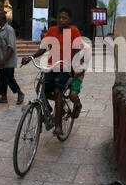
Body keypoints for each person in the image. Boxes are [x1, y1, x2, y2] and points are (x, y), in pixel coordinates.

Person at [21, 8, 83, 136]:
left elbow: (77, 51)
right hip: (51, 66)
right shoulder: (52, 30)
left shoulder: (74, 31)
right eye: (59, 17)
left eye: (64, 18)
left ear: (69, 20)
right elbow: (42, 48)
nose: (61, 20)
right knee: (41, 87)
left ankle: (58, 125)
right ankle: (48, 108)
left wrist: (73, 65)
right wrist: (30, 57)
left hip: (65, 68)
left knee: (58, 91)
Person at [0, 11, 25, 104]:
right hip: (3, 60)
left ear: (2, 19)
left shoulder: (9, 30)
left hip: (8, 61)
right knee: (1, 79)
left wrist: (4, 60)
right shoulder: (1, 29)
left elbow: (11, 48)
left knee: (9, 78)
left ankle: (20, 93)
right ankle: (3, 97)